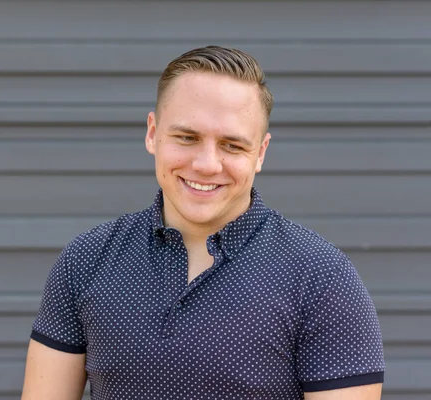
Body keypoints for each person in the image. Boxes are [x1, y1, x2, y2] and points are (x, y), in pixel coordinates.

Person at [21, 45, 385, 399]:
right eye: (187, 137)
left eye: (232, 145)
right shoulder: (85, 260)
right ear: (152, 133)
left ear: (260, 153)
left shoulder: (322, 277)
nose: (207, 164)